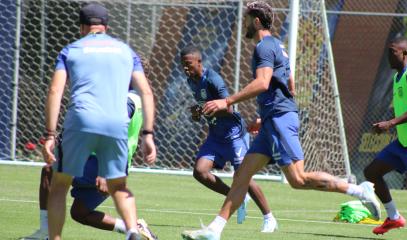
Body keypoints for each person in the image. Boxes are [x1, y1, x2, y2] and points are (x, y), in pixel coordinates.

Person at [181, 1, 380, 239]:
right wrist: (263, 115)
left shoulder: (263, 47)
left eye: (246, 19)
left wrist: (228, 101)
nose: (244, 23)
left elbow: (263, 83)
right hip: (273, 119)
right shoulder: (278, 45)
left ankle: (360, 190)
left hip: (278, 119)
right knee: (242, 175)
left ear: (256, 21)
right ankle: (214, 230)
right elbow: (290, 83)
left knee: (298, 179)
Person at [42, 3, 156, 240]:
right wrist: (148, 134)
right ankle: (132, 231)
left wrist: (51, 135)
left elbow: (55, 91)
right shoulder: (126, 52)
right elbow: (146, 92)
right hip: (115, 124)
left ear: (82, 27)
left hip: (81, 120)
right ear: (106, 26)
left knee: (58, 184)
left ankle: (51, 237)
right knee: (119, 187)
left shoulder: (71, 50)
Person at [21, 62, 157, 240]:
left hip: (98, 162)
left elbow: (113, 128)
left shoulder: (127, 100)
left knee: (49, 172)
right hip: (117, 165)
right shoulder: (138, 99)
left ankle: (45, 233)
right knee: (80, 213)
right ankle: (132, 227)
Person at [180, 46, 277, 232]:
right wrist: (197, 111)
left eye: (188, 64)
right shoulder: (190, 81)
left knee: (243, 176)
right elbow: (204, 108)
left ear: (199, 62)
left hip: (234, 134)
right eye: (182, 65)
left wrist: (209, 107)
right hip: (216, 135)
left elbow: (229, 107)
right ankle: (238, 199)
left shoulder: (213, 79)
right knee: (199, 172)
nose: (185, 68)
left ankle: (269, 218)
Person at [364, 36, 407, 235]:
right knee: (371, 172)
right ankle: (394, 217)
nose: (388, 55)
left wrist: (391, 123)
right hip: (404, 142)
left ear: (404, 53)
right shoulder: (398, 77)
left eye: (392, 51)